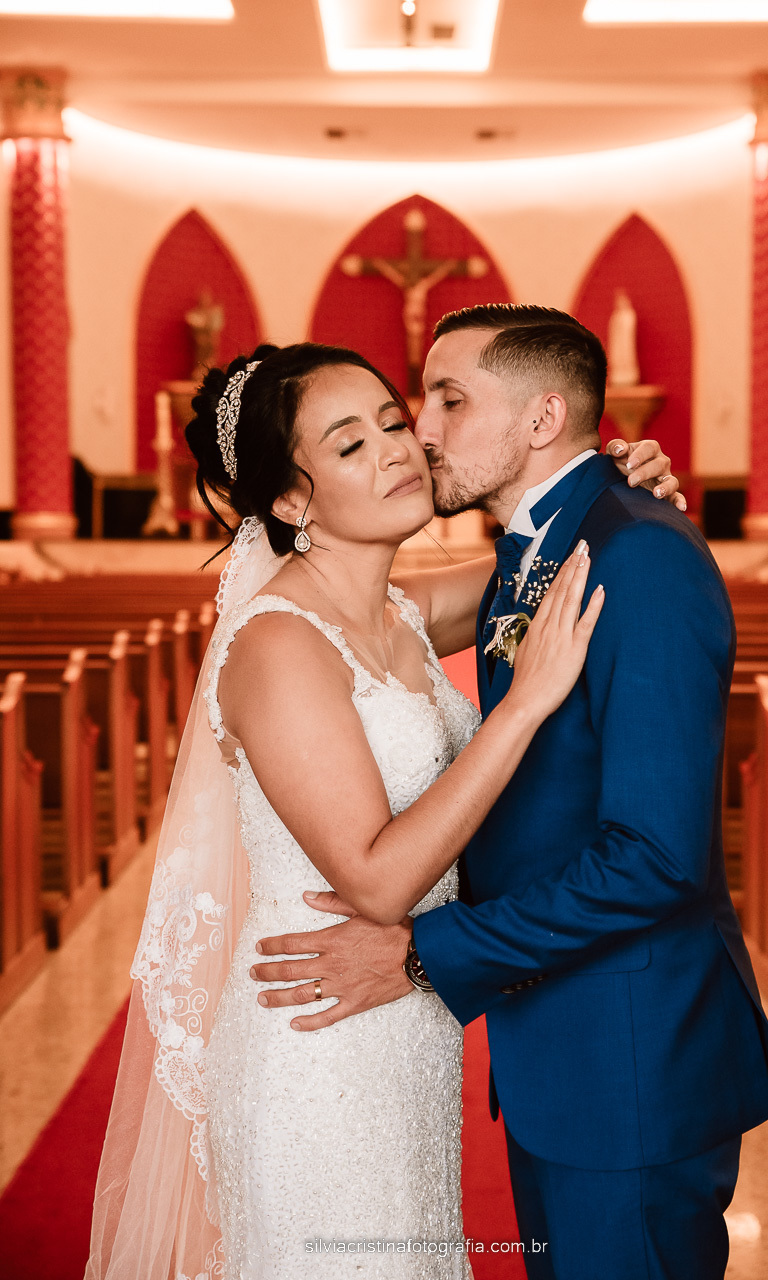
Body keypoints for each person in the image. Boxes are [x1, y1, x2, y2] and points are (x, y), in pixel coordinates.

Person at [86, 337, 680, 1280]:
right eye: (350, 443)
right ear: (289, 499)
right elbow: (377, 877)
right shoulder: (279, 646)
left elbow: (539, 563)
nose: (400, 449)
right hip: (316, 1040)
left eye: (395, 421)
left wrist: (613, 490)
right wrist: (521, 705)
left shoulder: (401, 611)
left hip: (403, 1025)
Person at [254, 307, 768, 1280]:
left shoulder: (637, 557)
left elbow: (654, 857)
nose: (420, 429)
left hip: (631, 1059)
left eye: (448, 399)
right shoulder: (530, 550)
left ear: (542, 418)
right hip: (559, 1046)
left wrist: (421, 954)